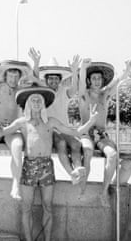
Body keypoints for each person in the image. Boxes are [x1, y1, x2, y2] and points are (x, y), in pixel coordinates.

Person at [0, 85, 98, 241]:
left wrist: (91, 121)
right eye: (33, 100)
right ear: (28, 103)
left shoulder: (50, 121)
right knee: (26, 208)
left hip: (46, 166)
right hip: (29, 166)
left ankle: (48, 239)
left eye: (39, 100)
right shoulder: (22, 122)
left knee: (48, 207)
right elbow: (1, 132)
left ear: (43, 104)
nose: (36, 102)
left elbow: (75, 132)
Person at [32, 49, 89, 194]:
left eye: (56, 78)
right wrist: (36, 63)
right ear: (46, 80)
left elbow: (75, 88)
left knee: (76, 144)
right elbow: (34, 79)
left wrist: (75, 70)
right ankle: (71, 173)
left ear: (60, 80)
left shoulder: (64, 91)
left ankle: (77, 169)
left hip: (65, 128)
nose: (53, 81)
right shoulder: (43, 92)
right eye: (50, 78)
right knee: (61, 144)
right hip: (49, 130)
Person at [78, 59, 131, 205]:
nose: (97, 81)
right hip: (86, 133)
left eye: (99, 78)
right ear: (89, 81)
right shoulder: (84, 94)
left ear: (103, 81)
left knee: (113, 155)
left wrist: (127, 70)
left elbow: (118, 83)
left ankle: (103, 192)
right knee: (88, 151)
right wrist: (83, 67)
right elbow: (81, 84)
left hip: (102, 135)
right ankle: (82, 190)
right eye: (94, 78)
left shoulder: (105, 95)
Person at [0, 59, 33, 200]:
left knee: (17, 146)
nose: (13, 79)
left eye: (16, 76)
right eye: (11, 76)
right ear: (5, 76)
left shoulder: (22, 92)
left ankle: (15, 184)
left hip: (12, 129)